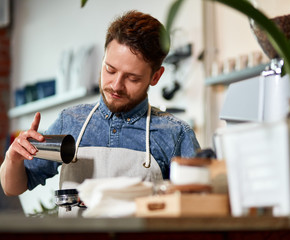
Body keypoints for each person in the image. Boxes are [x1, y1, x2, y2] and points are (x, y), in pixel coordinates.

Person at [0, 10, 200, 197]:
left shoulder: (175, 135)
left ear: (156, 76)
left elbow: (198, 204)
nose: (116, 85)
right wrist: (13, 159)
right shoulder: (70, 121)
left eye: (132, 78)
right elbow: (13, 187)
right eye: (110, 70)